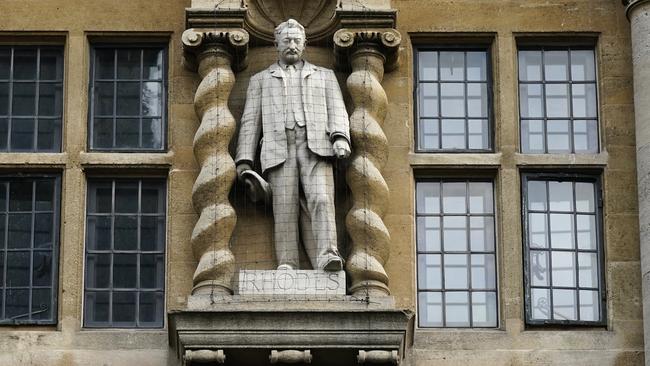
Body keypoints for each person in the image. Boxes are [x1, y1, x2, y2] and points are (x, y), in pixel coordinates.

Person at [235, 19, 351, 272]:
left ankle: (328, 255)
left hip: (317, 147)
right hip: (278, 148)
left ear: (305, 44)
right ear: (276, 44)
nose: (292, 45)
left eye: (297, 40)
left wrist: (340, 137)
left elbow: (338, 110)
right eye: (287, 40)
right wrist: (244, 160)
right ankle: (287, 262)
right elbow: (250, 121)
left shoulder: (325, 76)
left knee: (321, 199)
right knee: (284, 207)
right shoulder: (260, 80)